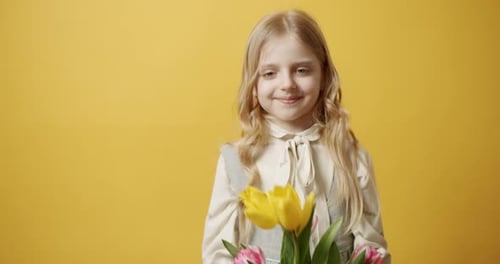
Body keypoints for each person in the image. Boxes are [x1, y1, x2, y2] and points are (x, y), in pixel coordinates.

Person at [202, 9, 390, 264]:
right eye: (270, 73)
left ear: (323, 76)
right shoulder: (238, 161)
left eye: (301, 70)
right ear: (253, 83)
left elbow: (372, 249)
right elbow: (218, 255)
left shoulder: (352, 158)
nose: (287, 84)